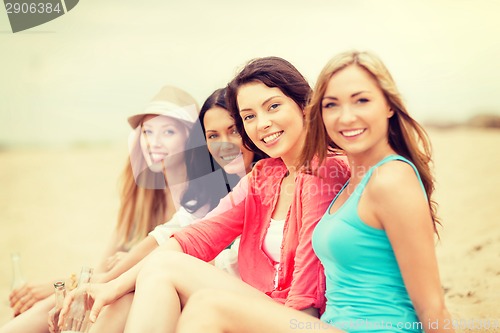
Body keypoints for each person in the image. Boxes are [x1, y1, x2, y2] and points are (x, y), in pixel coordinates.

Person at [58, 56, 350, 333]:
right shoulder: (265, 176)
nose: (261, 123)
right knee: (148, 275)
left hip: (300, 320)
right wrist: (111, 286)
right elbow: (197, 236)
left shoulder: (325, 170)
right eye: (249, 116)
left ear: (304, 105)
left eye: (273, 107)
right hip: (267, 306)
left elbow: (309, 287)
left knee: (166, 269)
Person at [174, 50, 455, 333]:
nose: (346, 117)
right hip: (332, 326)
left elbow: (432, 306)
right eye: (332, 105)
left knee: (208, 307)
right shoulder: (350, 180)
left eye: (362, 100)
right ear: (319, 112)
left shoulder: (391, 179)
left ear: (389, 105)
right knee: (201, 304)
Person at [0, 85, 199, 333]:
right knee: (51, 306)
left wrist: (65, 284)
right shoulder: (144, 195)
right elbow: (103, 266)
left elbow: (183, 261)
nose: (154, 143)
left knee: (118, 300)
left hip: (166, 298)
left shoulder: (200, 194)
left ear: (192, 138)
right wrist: (59, 287)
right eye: (148, 132)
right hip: (121, 288)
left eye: (168, 132)